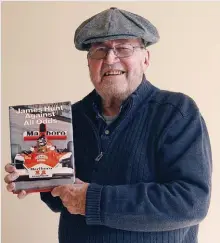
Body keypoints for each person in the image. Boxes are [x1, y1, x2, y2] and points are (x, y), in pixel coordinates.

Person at [5, 7, 212, 243]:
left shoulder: (177, 112)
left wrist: (92, 200)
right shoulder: (68, 118)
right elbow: (62, 199)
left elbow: (191, 202)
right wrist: (33, 177)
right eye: (99, 50)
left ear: (145, 58)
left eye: (123, 48)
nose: (110, 59)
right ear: (89, 62)